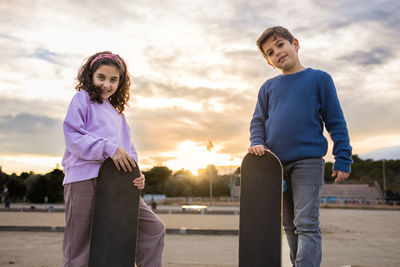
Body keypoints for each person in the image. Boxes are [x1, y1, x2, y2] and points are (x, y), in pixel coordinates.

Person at [248, 26, 352, 267]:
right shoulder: (267, 88)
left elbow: (335, 121)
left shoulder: (320, 79)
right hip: (275, 165)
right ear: (269, 62)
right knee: (289, 226)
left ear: (295, 43)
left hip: (308, 161)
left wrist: (343, 157)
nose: (277, 53)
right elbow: (258, 122)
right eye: (270, 53)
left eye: (280, 45)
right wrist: (257, 143)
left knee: (307, 224)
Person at [62, 51, 165, 267]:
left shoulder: (118, 115)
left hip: (118, 185)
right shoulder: (82, 99)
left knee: (153, 229)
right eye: (101, 77)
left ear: (121, 82)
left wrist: (137, 174)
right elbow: (73, 137)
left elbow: (129, 150)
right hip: (83, 179)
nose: (106, 84)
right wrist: (108, 148)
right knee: (80, 247)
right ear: (90, 76)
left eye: (113, 79)